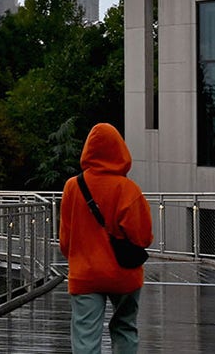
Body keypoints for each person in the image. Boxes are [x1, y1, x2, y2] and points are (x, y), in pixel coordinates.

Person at [59, 122, 153, 354]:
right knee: (125, 328)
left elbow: (65, 241)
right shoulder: (129, 190)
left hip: (85, 274)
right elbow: (143, 238)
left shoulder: (73, 187)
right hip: (123, 275)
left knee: (85, 337)